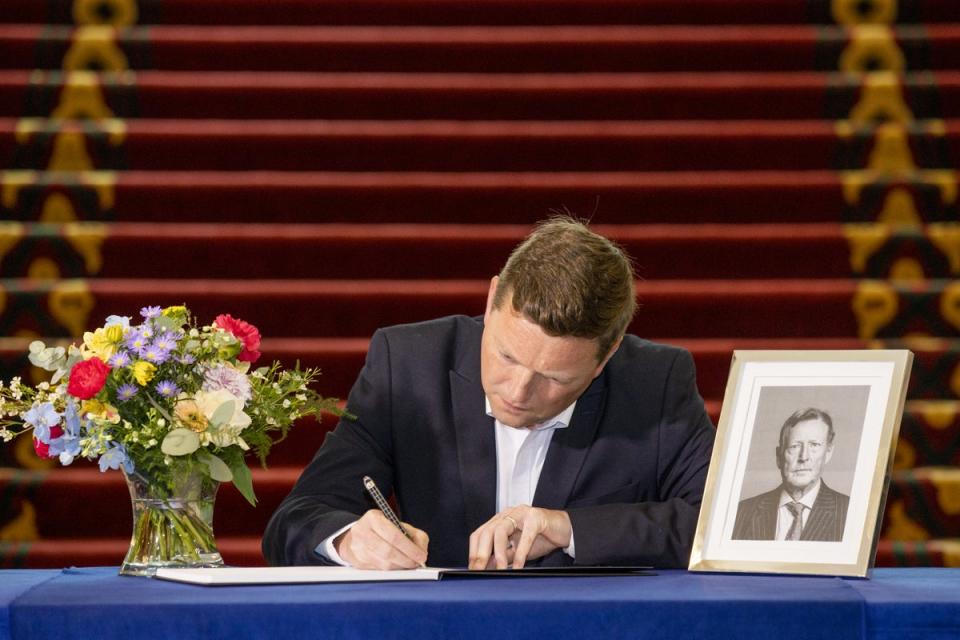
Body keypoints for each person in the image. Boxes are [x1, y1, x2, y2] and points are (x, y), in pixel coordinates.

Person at [262, 216, 715, 570]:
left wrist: (569, 529)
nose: (519, 392)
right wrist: (347, 539)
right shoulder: (409, 365)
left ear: (608, 353)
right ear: (492, 298)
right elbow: (297, 518)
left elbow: (716, 527)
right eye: (507, 357)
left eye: (554, 379)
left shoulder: (655, 380)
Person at [732, 407, 849, 542]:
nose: (804, 457)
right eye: (794, 446)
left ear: (828, 453)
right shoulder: (742, 512)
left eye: (814, 445)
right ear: (778, 456)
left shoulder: (849, 512)